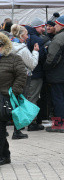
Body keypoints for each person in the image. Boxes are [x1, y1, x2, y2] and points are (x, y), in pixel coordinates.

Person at [0, 32, 27, 165]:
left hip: (4, 98)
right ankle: (5, 155)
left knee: (0, 127)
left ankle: (2, 156)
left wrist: (14, 92)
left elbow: (22, 75)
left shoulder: (14, 59)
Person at [10, 24, 39, 139]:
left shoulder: (8, 46)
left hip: (9, 77)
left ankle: (6, 129)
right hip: (23, 78)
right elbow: (32, 64)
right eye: (26, 34)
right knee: (20, 103)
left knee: (8, 102)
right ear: (21, 35)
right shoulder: (23, 49)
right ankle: (17, 131)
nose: (28, 37)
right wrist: (35, 52)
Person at [24, 18, 47, 131]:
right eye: (42, 27)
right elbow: (42, 58)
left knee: (26, 97)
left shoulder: (26, 37)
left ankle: (23, 121)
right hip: (35, 73)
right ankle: (31, 123)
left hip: (24, 73)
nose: (43, 29)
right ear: (36, 27)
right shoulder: (37, 39)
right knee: (32, 97)